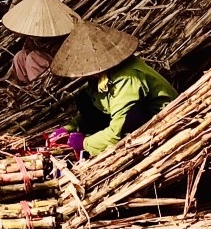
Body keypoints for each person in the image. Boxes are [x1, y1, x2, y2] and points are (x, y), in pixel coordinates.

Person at [49, 20, 178, 158]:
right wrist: (70, 128)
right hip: (126, 117)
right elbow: (99, 106)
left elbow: (117, 130)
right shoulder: (100, 77)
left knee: (126, 122)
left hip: (158, 120)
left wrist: (86, 143)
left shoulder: (126, 79)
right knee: (84, 99)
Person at [1, 0, 80, 84]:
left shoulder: (59, 36)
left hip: (55, 72)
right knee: (20, 56)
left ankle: (38, 84)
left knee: (33, 57)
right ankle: (26, 85)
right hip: (35, 74)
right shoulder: (31, 40)